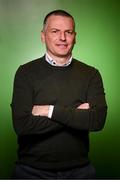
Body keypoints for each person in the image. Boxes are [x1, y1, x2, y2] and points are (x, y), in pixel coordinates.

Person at [11, 9, 107, 179]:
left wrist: (48, 110)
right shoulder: (25, 72)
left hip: (80, 172)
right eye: (55, 31)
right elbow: (22, 125)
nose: (62, 38)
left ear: (74, 36)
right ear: (43, 36)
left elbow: (97, 121)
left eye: (68, 32)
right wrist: (76, 113)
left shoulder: (91, 74)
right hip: (31, 171)